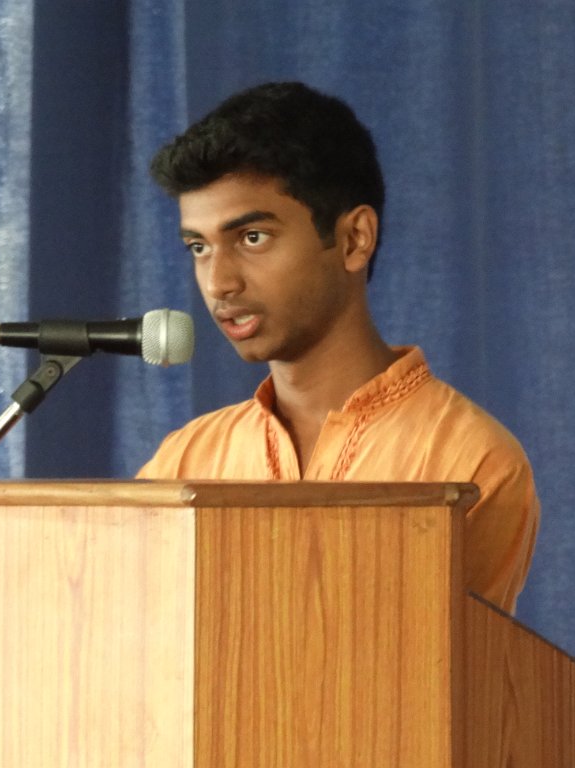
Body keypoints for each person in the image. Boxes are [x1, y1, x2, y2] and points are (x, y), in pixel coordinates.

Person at [137, 81, 539, 614]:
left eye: (252, 238)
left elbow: (443, 660)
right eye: (199, 246)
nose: (218, 283)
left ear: (354, 239)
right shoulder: (184, 459)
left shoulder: (470, 461)